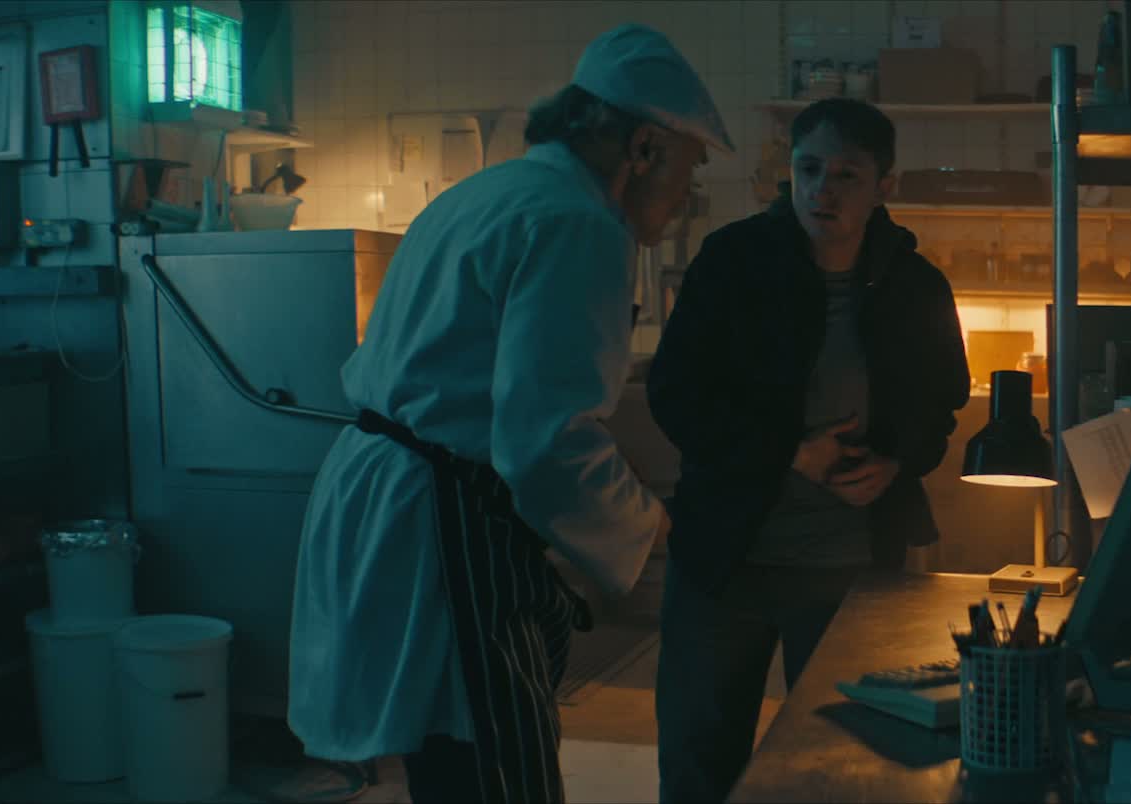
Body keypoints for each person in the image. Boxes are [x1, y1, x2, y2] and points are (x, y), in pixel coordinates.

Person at [286, 24, 731, 804]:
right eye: (689, 166)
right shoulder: (580, 222)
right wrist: (646, 521)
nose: (685, 194)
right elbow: (545, 440)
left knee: (446, 758)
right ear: (645, 148)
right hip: (445, 515)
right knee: (496, 767)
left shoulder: (490, 192)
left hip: (393, 490)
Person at [647, 98, 970, 803]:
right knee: (700, 766)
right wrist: (789, 453)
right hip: (724, 561)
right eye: (810, 169)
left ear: (884, 185)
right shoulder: (734, 262)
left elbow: (942, 405)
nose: (824, 189)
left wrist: (897, 463)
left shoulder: (915, 285)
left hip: (848, 570)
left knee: (843, 770)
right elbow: (676, 394)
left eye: (847, 174)